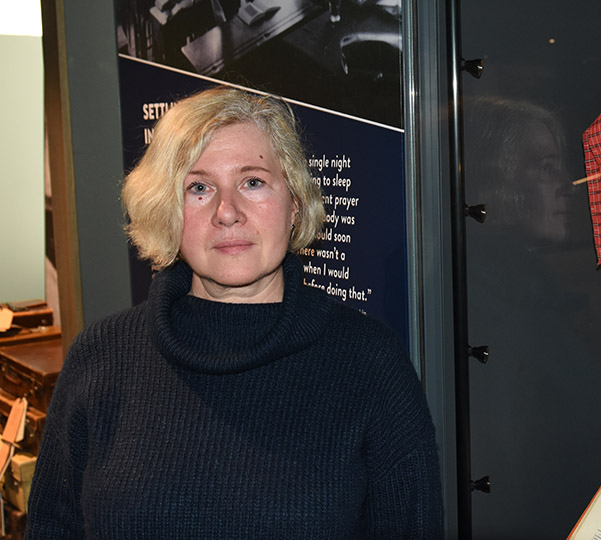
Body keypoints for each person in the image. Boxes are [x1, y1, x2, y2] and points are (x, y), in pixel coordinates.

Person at [26, 86, 443, 539]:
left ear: (294, 203)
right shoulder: (102, 356)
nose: (227, 212)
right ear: (168, 210)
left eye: (253, 181)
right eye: (199, 187)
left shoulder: (369, 363)